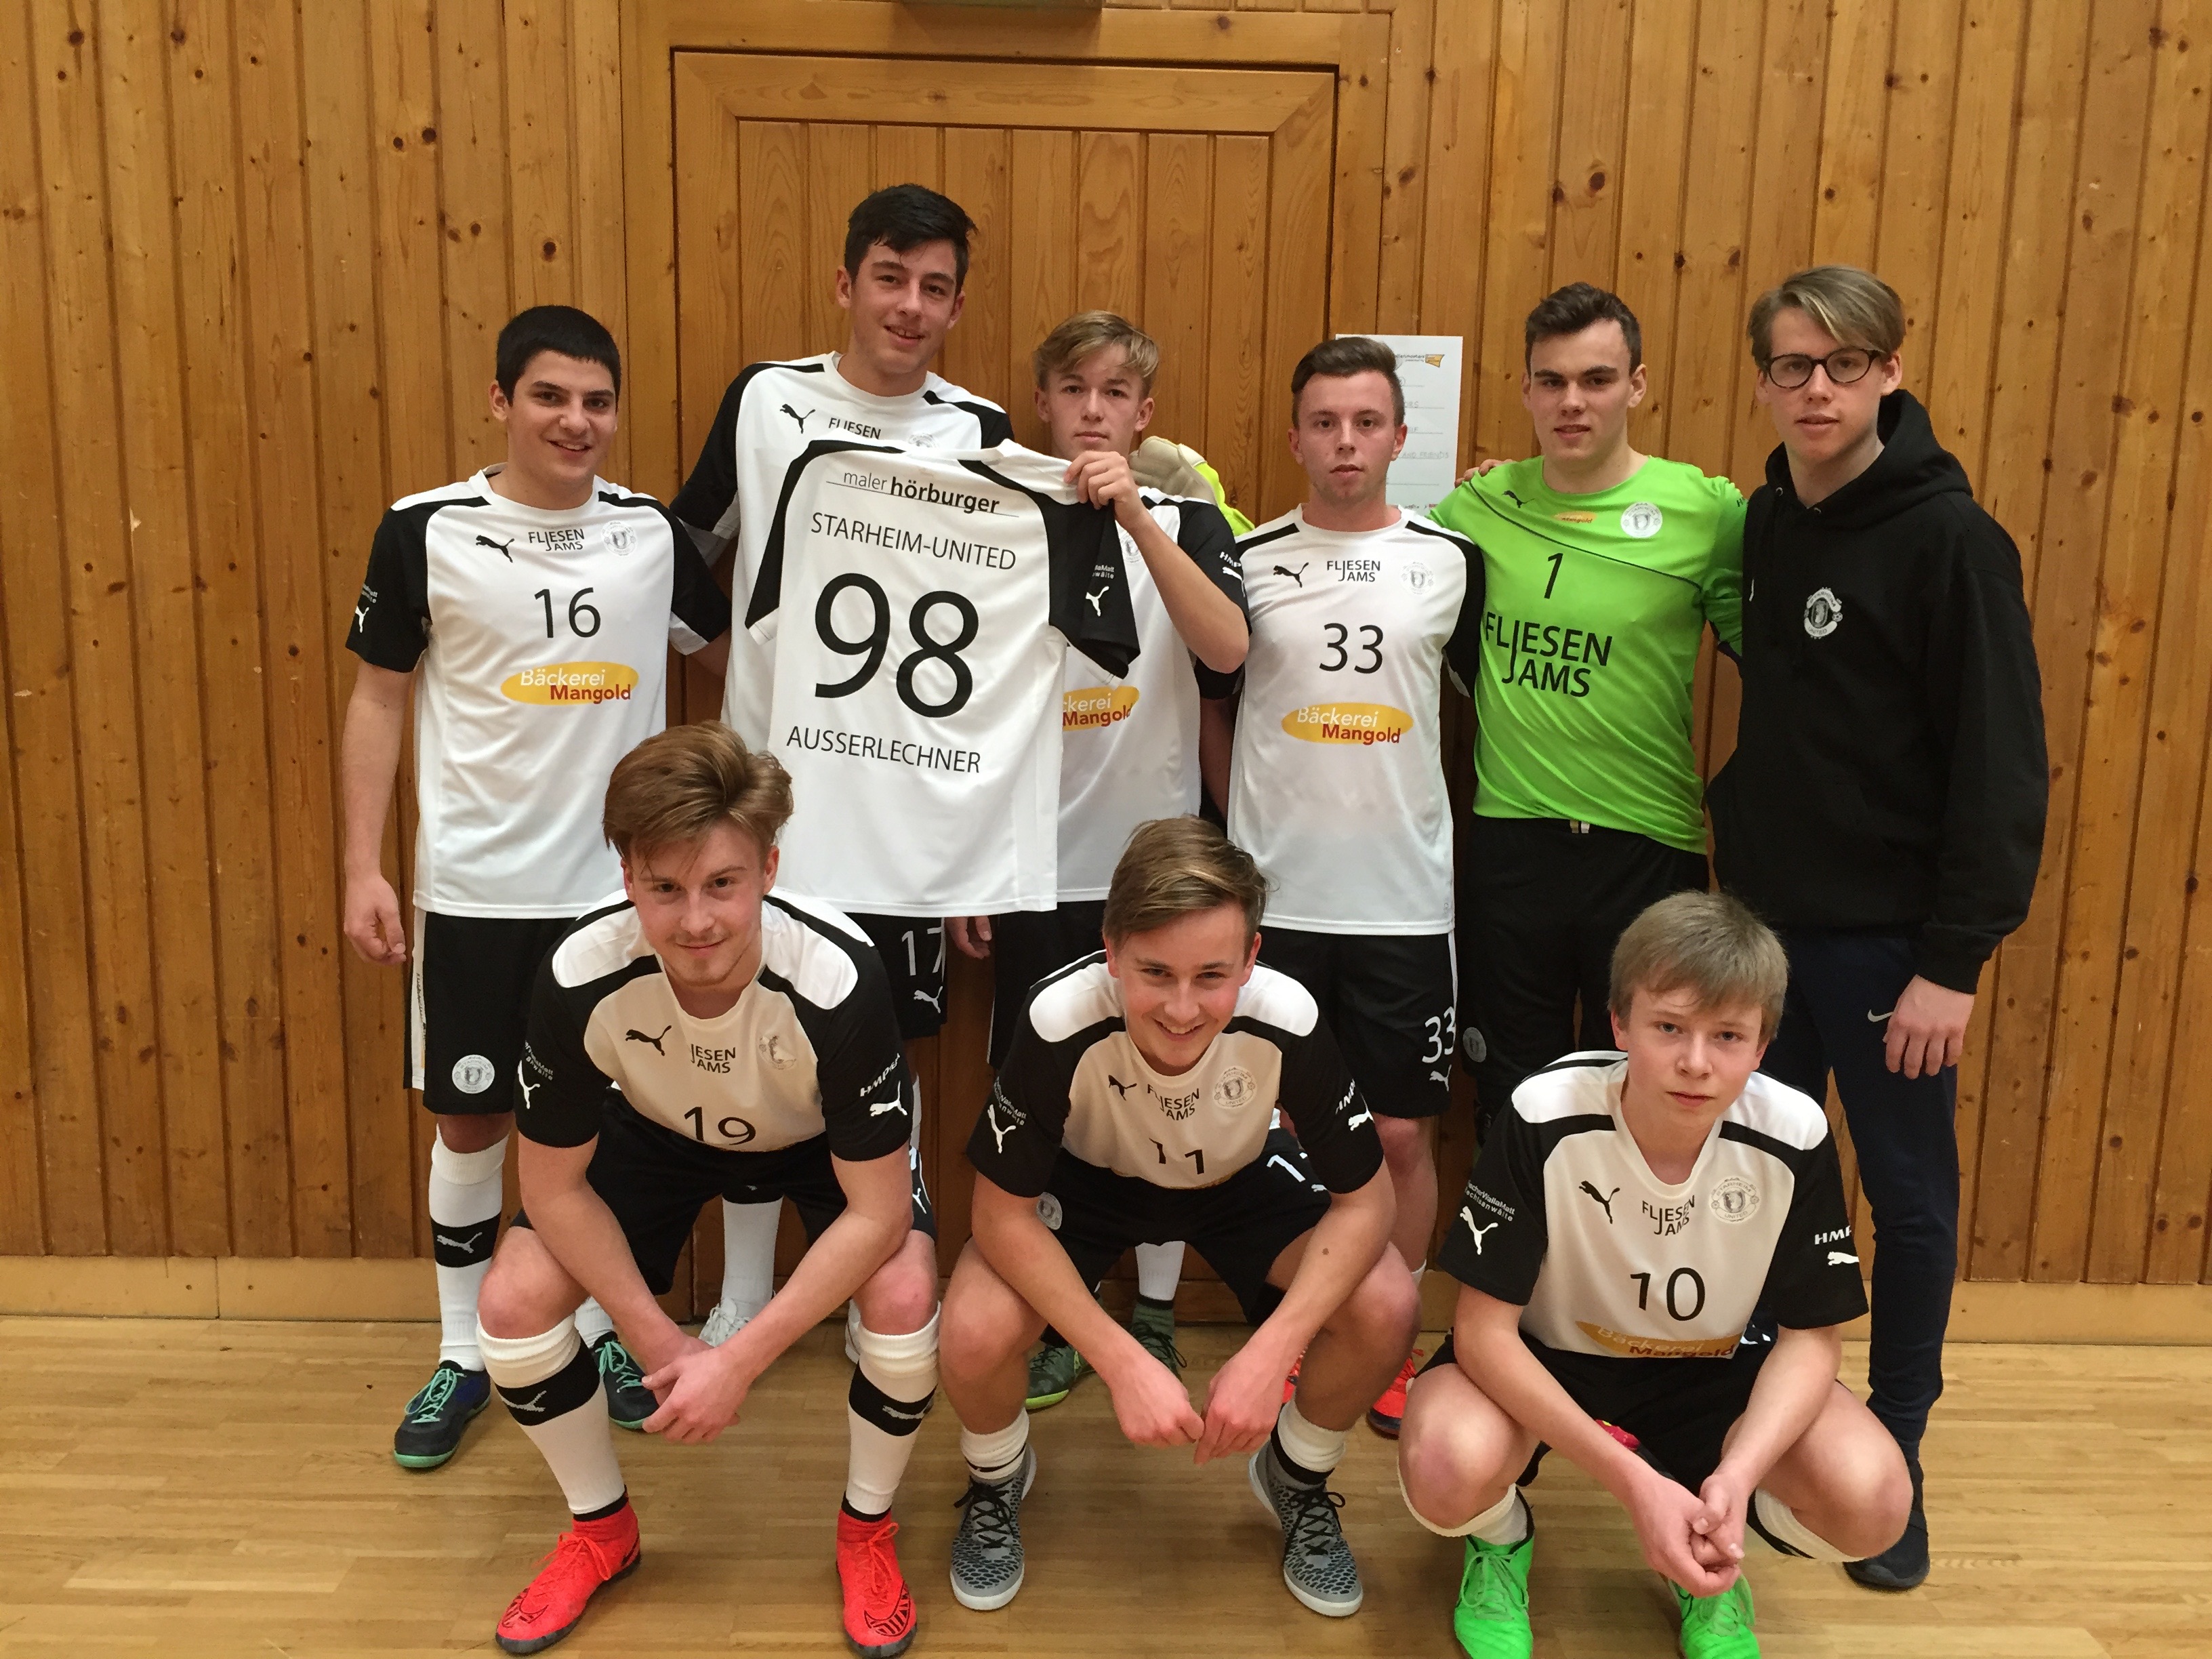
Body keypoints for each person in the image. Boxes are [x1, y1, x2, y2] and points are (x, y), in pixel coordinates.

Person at [340, 305, 731, 1471]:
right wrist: (361, 866)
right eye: (551, 396)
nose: (577, 421)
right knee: (472, 1118)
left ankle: (601, 1328)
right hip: (475, 890)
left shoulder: (652, 534)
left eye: (597, 401)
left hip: (622, 898)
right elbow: (377, 698)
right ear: (501, 401)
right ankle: (463, 1349)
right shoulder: (425, 530)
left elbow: (737, 661)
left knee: (615, 1122)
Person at [1708, 264, 2047, 1592]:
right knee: (1760, 1184)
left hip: (1892, 951)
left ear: (1888, 372)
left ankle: (1893, 1457)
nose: (1816, 388)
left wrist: (1950, 963)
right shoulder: (1767, 522)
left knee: (1903, 1202)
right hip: (1761, 938)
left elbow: (1999, 770)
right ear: (1763, 380)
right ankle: (1759, 1431)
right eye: (1792, 366)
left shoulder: (1954, 541)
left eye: (1842, 364)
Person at [473, 722, 941, 1657]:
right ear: (627, 878)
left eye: (722, 884)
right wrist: (659, 1339)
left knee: (903, 1293)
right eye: (665, 889)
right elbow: (553, 1190)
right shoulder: (577, 974)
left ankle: (866, 1530)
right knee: (512, 1302)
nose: (696, 922)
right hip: (657, 1129)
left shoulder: (838, 976)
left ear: (768, 868)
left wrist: (736, 1362)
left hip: (816, 1140)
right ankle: (601, 1530)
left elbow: (879, 1211)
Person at [671, 183, 1010, 1351]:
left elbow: (999, 636)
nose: (909, 306)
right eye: (889, 278)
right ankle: (745, 1291)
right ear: (845, 283)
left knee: (885, 1045)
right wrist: (745, 666)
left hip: (906, 808)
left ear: (956, 306)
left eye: (934, 288)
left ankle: (883, 1288)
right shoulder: (765, 398)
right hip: (770, 804)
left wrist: (975, 847)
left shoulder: (981, 429)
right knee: (749, 1035)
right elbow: (684, 547)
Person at [1397, 891, 1911, 1659]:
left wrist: (1736, 1479)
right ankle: (1501, 1540)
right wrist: (1634, 1485)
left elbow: (1810, 1340)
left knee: (1876, 1500)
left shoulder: (1794, 1132)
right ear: (1619, 1024)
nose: (1695, 1062)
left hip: (1713, 1367)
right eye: (1669, 1027)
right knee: (1445, 1468)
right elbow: (1481, 1332)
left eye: (1727, 1035)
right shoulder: (1544, 1113)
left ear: (1762, 1045)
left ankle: (1710, 1553)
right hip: (1549, 1358)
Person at [939, 817, 1418, 1620]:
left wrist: (1273, 1351)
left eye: (1212, 975)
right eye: (1155, 972)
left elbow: (1369, 1202)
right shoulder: (1058, 1017)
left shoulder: (1288, 1016)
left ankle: (1296, 1476)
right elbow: (998, 1216)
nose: (1183, 1006)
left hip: (1238, 1179)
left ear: (1251, 958)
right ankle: (996, 1476)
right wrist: (1123, 1361)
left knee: (1388, 1302)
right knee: (973, 1325)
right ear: (1111, 949)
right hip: (1091, 1181)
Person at [945, 311, 1250, 1412]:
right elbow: (961, 706)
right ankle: (1062, 1311)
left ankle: (1156, 1314)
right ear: (1041, 402)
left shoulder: (1186, 516)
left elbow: (1227, 647)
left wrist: (1134, 515)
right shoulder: (993, 517)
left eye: (1114, 392)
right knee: (1050, 1103)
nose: (1091, 409)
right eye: (1073, 388)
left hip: (1153, 873)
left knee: (1169, 1087)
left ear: (1142, 414)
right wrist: (968, 865)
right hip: (1032, 866)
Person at [1215, 335, 1486, 1435]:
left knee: (1402, 1137)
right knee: (1281, 1135)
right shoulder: (1246, 558)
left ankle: (1389, 1336)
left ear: (1398, 437)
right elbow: (1214, 709)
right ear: (1295, 438)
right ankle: (1306, 1332)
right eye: (1324, 422)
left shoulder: (1452, 561)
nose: (1344, 442)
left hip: (1404, 904)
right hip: (1276, 902)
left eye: (1366, 422)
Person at [1427, 283, 1744, 1133]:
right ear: (1527, 389)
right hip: (1512, 844)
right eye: (1553, 381)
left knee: (1645, 1093)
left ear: (1636, 386)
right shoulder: (1475, 507)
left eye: (1597, 380)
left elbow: (1787, 667)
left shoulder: (1709, 513)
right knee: (1510, 1098)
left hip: (1648, 849)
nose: (1573, 401)